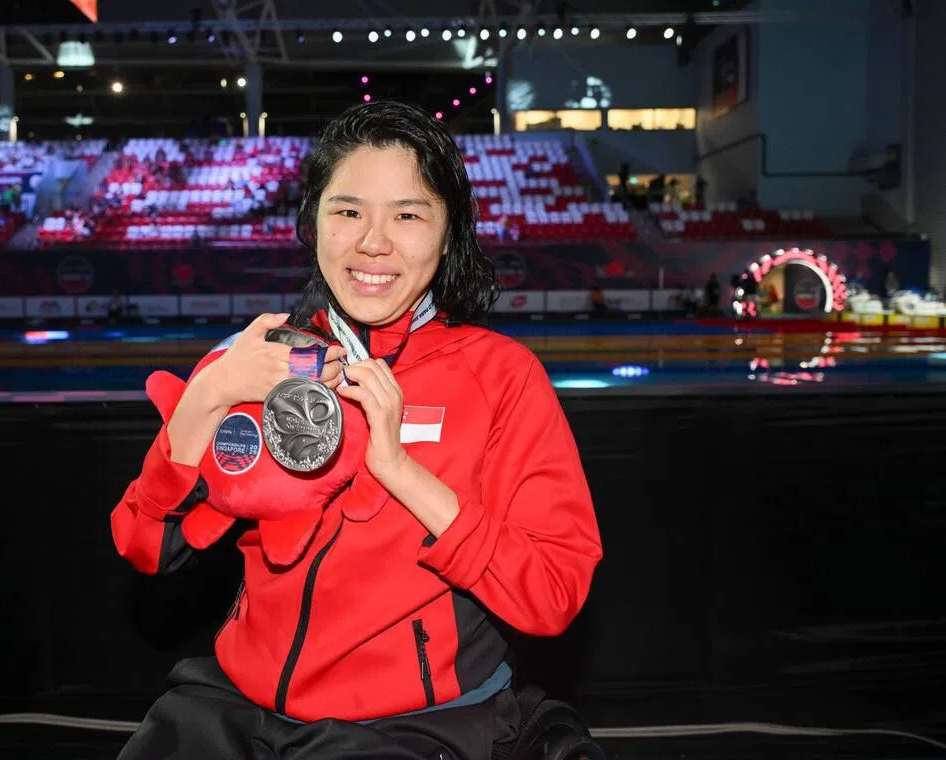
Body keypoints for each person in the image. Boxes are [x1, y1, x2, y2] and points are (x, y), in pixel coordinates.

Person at [110, 100, 603, 760]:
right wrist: (206, 400)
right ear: (312, 225)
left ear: (449, 232)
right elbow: (146, 548)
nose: (373, 241)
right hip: (236, 707)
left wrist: (401, 470)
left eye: (408, 214)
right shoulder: (258, 358)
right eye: (347, 211)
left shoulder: (501, 376)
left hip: (414, 724)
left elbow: (553, 594)